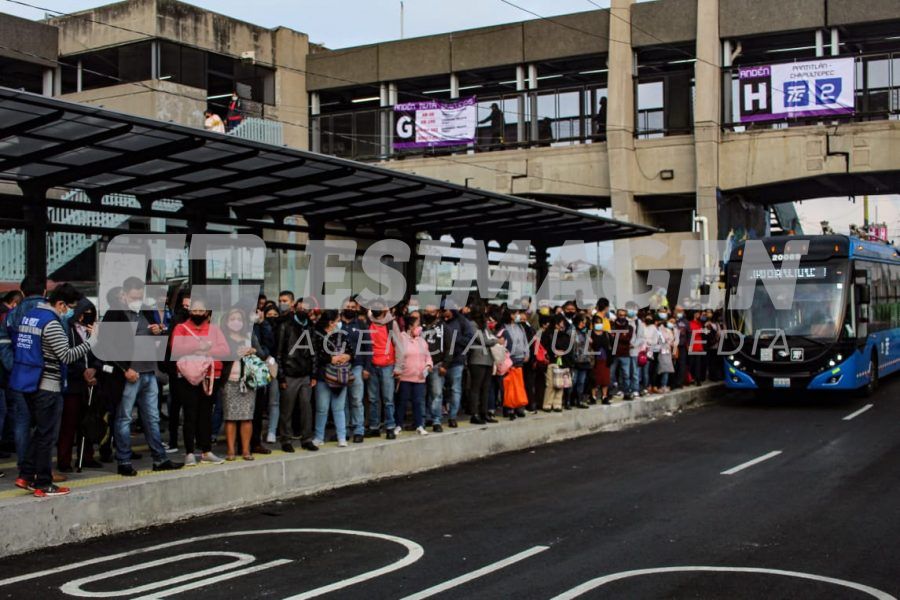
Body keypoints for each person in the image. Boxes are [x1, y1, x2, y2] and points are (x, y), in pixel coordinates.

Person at [9, 284, 97, 497]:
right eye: (70, 308)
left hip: (26, 381)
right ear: (60, 304)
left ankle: (26, 476)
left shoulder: (31, 315)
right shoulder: (51, 322)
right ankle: (44, 482)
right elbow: (66, 355)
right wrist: (93, 341)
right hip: (46, 384)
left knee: (39, 432)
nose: (70, 312)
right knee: (46, 435)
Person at [103, 277, 181, 476]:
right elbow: (107, 345)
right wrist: (124, 369)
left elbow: (161, 334)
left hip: (149, 371)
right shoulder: (116, 314)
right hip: (130, 374)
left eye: (140, 295)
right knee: (124, 418)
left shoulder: (146, 311)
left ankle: (160, 458)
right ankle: (124, 461)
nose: (137, 299)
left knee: (152, 418)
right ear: (125, 293)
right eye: (134, 296)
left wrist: (158, 330)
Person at [170, 297, 229, 466]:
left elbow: (224, 350)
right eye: (194, 310)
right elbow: (176, 348)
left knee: (206, 415)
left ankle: (206, 451)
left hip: (211, 377)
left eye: (200, 311)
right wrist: (200, 347)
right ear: (189, 312)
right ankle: (189, 453)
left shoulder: (215, 329)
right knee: (190, 414)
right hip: (187, 376)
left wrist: (203, 348)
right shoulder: (181, 328)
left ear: (206, 313)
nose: (197, 313)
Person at [56, 298, 102, 472]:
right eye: (83, 313)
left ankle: (87, 456)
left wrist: (95, 369)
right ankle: (64, 459)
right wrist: (82, 370)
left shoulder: (94, 331)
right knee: (69, 423)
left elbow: (101, 354)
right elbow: (66, 356)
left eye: (90, 314)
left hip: (91, 383)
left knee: (88, 420)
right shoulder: (67, 329)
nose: (86, 317)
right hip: (73, 382)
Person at [275, 299, 318, 452]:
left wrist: (314, 374)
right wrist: (281, 376)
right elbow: (278, 353)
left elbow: (314, 353)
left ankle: (307, 439)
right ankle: (285, 440)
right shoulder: (285, 326)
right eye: (302, 306)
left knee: (307, 409)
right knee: (287, 410)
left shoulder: (310, 327)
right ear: (295, 307)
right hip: (289, 374)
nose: (305, 309)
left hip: (306, 375)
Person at [220, 308, 259, 461]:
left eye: (239, 319)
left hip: (248, 382)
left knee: (247, 418)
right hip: (229, 381)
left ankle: (245, 450)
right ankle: (230, 451)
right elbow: (218, 355)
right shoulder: (222, 337)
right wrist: (235, 354)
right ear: (226, 321)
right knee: (230, 418)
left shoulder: (249, 336)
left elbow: (262, 353)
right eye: (232, 318)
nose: (236, 322)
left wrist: (253, 350)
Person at [312, 310, 353, 447]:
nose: (338, 323)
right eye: (336, 321)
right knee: (322, 408)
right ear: (330, 322)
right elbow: (315, 355)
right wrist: (331, 358)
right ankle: (319, 436)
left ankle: (342, 437)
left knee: (339, 408)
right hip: (323, 376)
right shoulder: (316, 334)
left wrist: (347, 356)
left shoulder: (341, 335)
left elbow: (351, 350)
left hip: (340, 376)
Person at [393, 314, 433, 436]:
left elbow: (428, 356)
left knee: (418, 402)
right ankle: (398, 425)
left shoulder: (422, 341)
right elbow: (397, 355)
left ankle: (419, 425)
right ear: (410, 326)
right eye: (417, 325)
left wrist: (428, 365)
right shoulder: (401, 338)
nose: (419, 327)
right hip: (405, 377)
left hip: (420, 378)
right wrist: (398, 371)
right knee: (402, 402)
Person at [365, 306, 401, 439]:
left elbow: (399, 346)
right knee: (373, 399)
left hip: (388, 366)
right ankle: (374, 427)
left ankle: (390, 427)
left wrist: (398, 368)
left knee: (388, 399)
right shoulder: (368, 322)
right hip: (372, 365)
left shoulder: (392, 324)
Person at [340, 298, 367, 443]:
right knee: (343, 401)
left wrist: (366, 367)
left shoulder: (361, 324)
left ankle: (358, 430)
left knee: (356, 399)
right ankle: (343, 430)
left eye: (352, 306)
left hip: (357, 365)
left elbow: (367, 346)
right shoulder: (337, 324)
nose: (350, 308)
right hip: (340, 367)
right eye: (347, 306)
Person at [466, 306, 499, 424]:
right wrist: (496, 341)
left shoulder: (484, 325)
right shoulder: (472, 324)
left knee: (486, 388)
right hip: (477, 359)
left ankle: (484, 413)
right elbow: (483, 340)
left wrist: (494, 339)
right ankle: (474, 414)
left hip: (488, 359)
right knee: (476, 388)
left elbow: (491, 336)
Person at [441, 303, 471, 428]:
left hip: (456, 360)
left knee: (455, 389)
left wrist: (455, 340)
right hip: (440, 361)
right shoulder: (439, 322)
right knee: (437, 391)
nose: (444, 312)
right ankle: (436, 416)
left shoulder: (462, 321)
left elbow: (470, 338)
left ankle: (452, 416)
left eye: (446, 309)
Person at [421, 303, 449, 432]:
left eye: (431, 312)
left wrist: (445, 364)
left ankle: (436, 420)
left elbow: (450, 347)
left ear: (437, 313)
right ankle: (423, 419)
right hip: (421, 365)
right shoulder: (420, 327)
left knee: (436, 394)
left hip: (437, 365)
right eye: (426, 312)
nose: (428, 315)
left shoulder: (443, 327)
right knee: (422, 394)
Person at [541, 314, 573, 412]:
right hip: (552, 361)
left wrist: (563, 353)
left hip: (563, 362)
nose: (561, 326)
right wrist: (553, 352)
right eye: (560, 323)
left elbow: (569, 348)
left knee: (560, 384)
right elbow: (545, 347)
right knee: (550, 384)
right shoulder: (547, 334)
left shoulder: (566, 335)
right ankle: (547, 404)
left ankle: (557, 404)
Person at [610, 308, 635, 400]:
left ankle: (626, 392)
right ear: (617, 315)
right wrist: (621, 335)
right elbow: (611, 338)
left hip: (625, 354)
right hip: (614, 353)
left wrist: (616, 335)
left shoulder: (629, 327)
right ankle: (611, 392)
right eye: (620, 315)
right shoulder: (612, 325)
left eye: (624, 315)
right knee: (611, 374)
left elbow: (627, 339)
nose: (622, 317)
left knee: (626, 374)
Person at [656, 317, 677, 392]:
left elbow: (672, 342)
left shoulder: (670, 331)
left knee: (666, 370)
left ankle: (663, 385)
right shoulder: (659, 331)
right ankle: (660, 385)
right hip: (661, 351)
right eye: (670, 321)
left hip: (667, 352)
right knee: (661, 369)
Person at [688, 310, 707, 387]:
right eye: (697, 313)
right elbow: (692, 333)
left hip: (699, 346)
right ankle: (691, 378)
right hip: (693, 346)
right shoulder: (690, 323)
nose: (698, 315)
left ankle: (698, 379)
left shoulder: (700, 323)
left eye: (699, 314)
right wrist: (701, 331)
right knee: (691, 364)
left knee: (698, 364)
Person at [673, 305, 690, 389]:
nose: (679, 312)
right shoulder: (671, 320)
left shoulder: (686, 322)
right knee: (673, 364)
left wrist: (689, 344)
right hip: (672, 346)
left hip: (682, 346)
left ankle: (679, 382)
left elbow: (689, 333)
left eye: (681, 311)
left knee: (681, 364)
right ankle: (671, 382)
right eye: (678, 310)